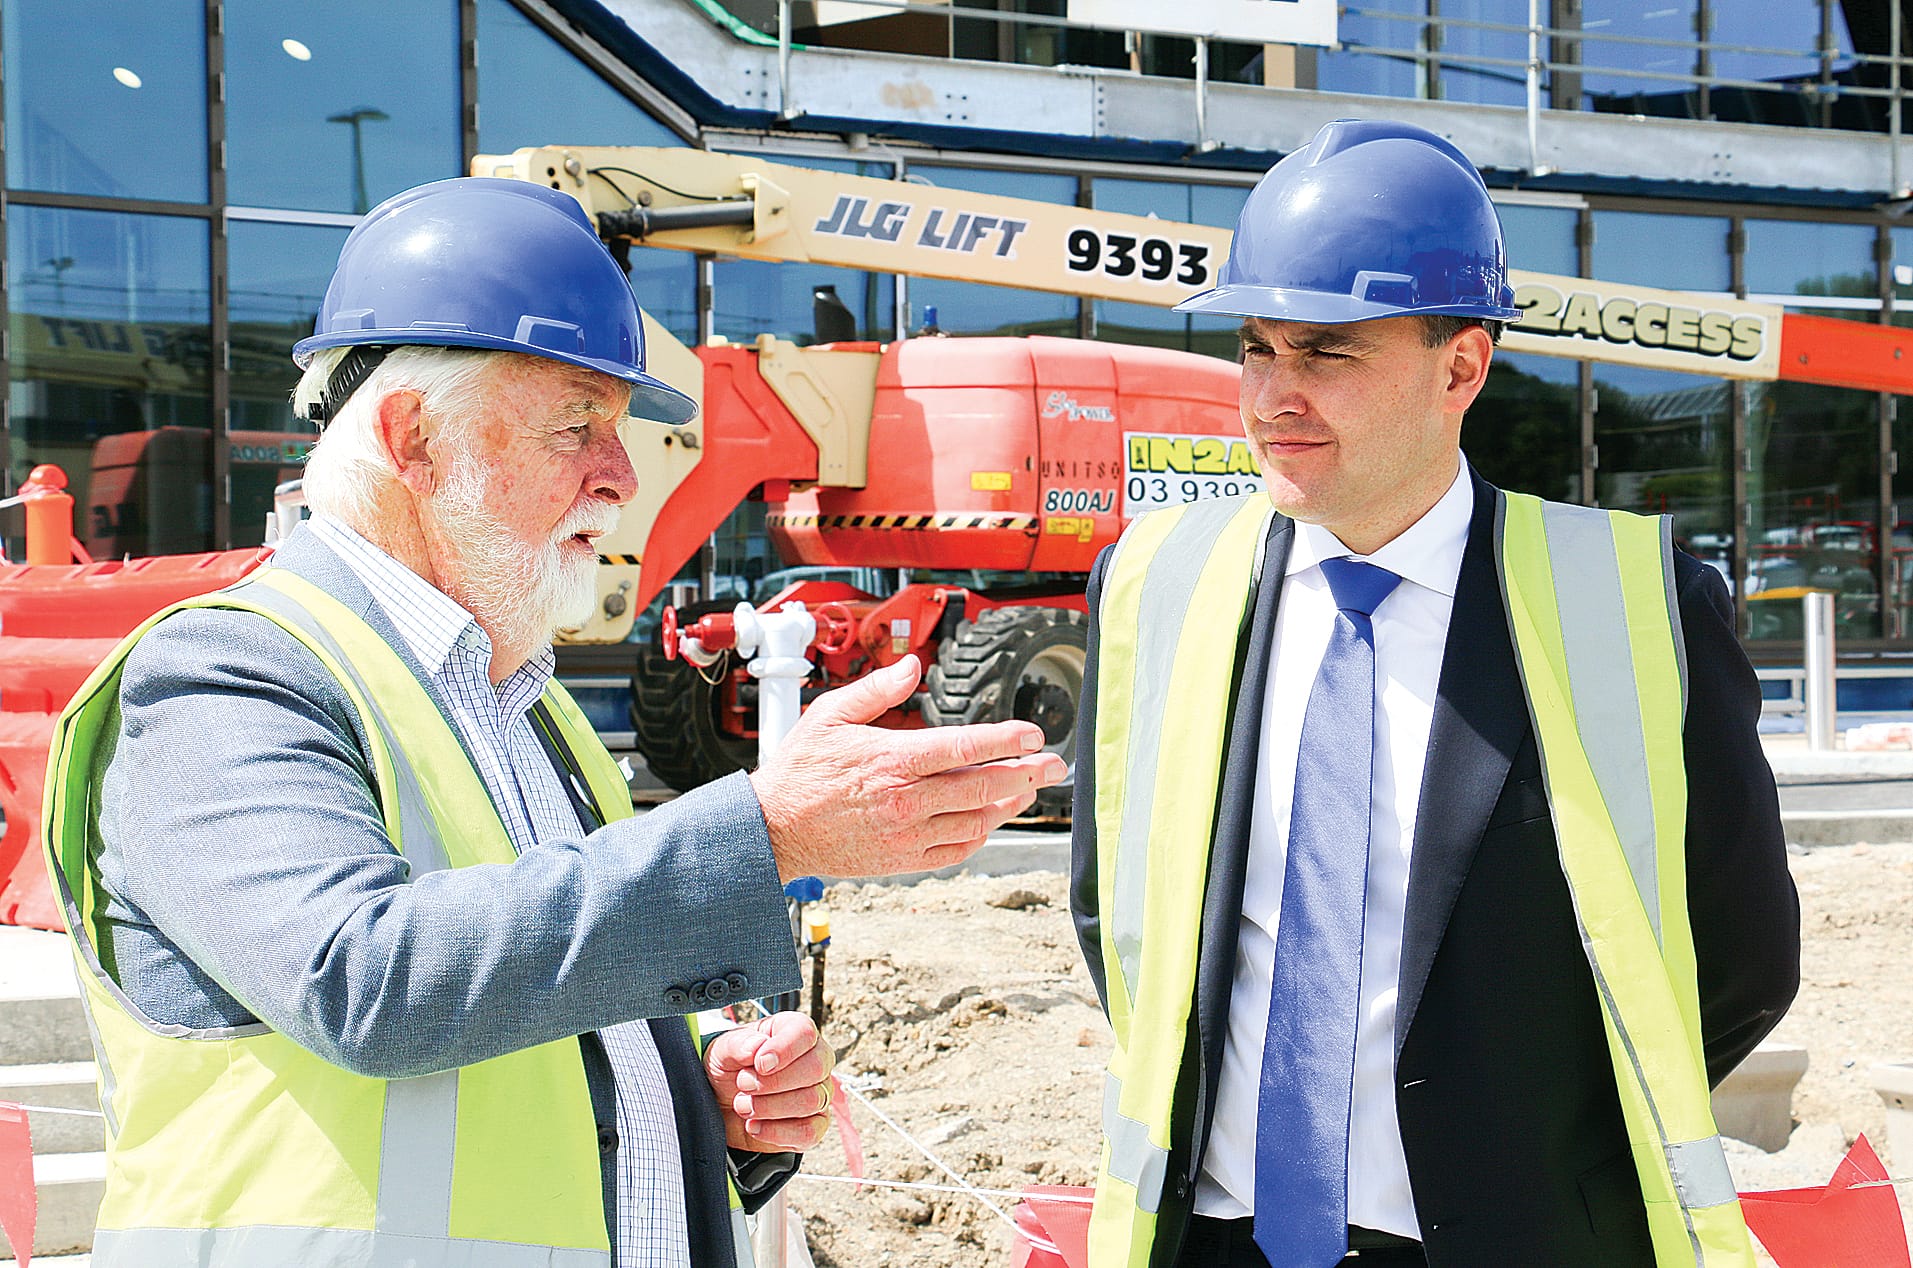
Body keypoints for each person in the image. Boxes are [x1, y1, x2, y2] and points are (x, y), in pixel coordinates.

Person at [42, 177, 1065, 1268]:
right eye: (577, 424)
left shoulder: (522, 702)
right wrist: (760, 831)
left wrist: (689, 1102)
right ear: (412, 438)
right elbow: (365, 978)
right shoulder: (227, 673)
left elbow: (530, 1007)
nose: (620, 475)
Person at [1069, 119, 1799, 1268]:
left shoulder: (1640, 602)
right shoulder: (1155, 582)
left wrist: (1524, 1153)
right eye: (1254, 347)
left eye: (1324, 353)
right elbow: (1113, 912)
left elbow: (1742, 957)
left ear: (1460, 365)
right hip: (1214, 1241)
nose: (1269, 396)